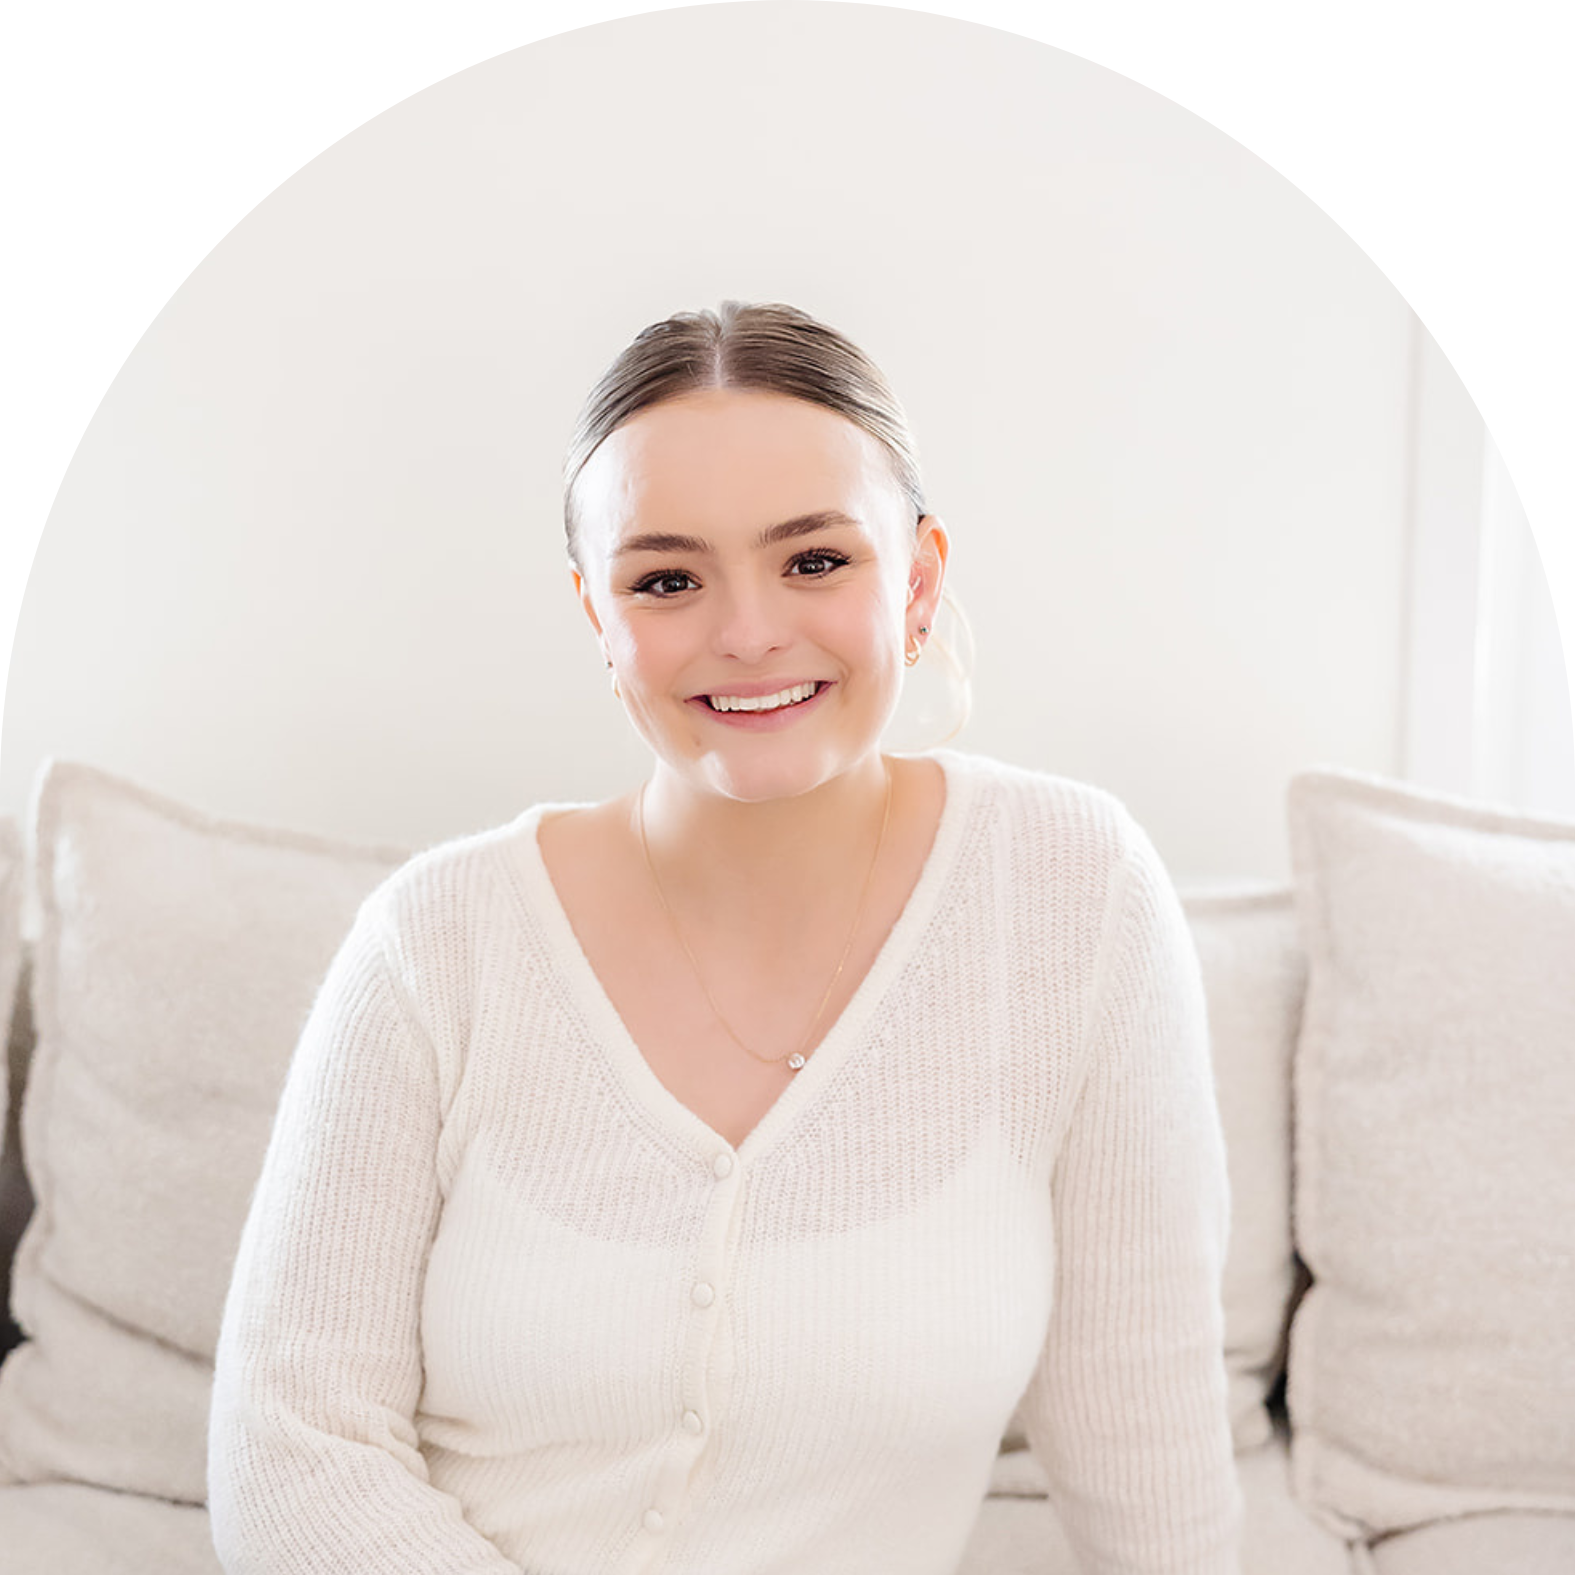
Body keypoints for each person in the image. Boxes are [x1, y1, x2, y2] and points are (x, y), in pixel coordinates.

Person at [208, 302, 1244, 1572]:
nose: (748, 631)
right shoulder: (435, 944)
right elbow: (289, 1448)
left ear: (917, 583)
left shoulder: (1075, 900)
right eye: (668, 579)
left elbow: (1149, 1447)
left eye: (815, 561)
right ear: (600, 618)